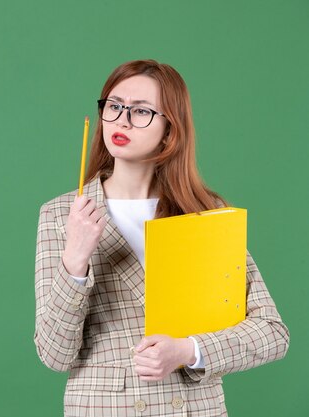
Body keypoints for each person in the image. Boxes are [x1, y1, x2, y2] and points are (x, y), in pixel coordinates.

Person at [33, 59, 289, 416]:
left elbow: (272, 333)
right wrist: (74, 260)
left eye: (141, 111)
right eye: (114, 105)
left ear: (171, 129)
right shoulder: (61, 215)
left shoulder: (204, 213)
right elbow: (55, 354)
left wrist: (188, 350)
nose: (122, 119)